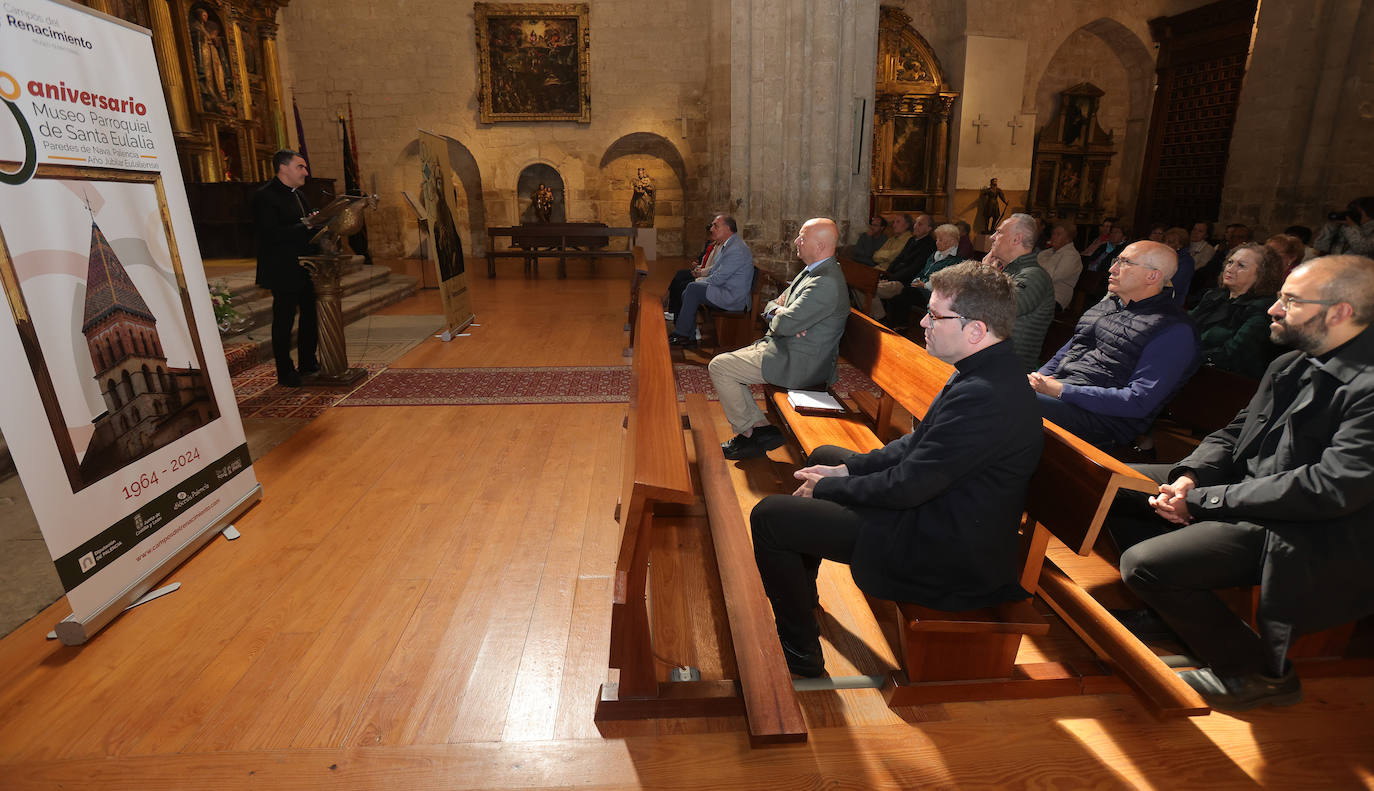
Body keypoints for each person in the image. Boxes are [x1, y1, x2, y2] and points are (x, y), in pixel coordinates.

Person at [749, 261, 1042, 677]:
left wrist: (829, 490)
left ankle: (799, 649)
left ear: (975, 330)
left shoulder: (986, 396)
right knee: (826, 457)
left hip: (943, 548)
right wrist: (845, 473)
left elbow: (909, 486)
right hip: (938, 510)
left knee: (770, 518)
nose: (923, 321)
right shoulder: (984, 373)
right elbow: (915, 445)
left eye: (935, 315)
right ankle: (802, 593)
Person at [1108, 255, 1374, 711]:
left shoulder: (1365, 386)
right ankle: (1170, 613)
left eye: (1289, 301)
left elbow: (1328, 488)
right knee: (1113, 485)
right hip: (1246, 492)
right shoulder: (1291, 363)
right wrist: (1190, 476)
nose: (1272, 309)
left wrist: (1207, 500)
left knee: (1144, 563)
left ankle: (1260, 674)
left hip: (1308, 526)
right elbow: (1233, 432)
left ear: (1339, 312)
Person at [1029, 240, 1200, 449]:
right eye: (1115, 260)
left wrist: (1062, 390)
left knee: (1009, 401)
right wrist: (1037, 380)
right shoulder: (1106, 307)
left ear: (1152, 276)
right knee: (998, 386)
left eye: (1125, 262)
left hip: (1104, 420)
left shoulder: (1173, 329)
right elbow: (1064, 354)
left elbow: (1138, 401)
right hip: (1064, 396)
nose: (1112, 269)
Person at [707, 218, 849, 460]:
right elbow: (773, 305)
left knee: (720, 367)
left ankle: (752, 432)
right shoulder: (813, 271)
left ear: (820, 245)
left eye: (803, 237)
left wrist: (783, 317)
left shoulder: (825, 282)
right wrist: (780, 312)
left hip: (800, 363)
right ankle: (757, 431)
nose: (796, 241)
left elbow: (784, 323)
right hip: (786, 347)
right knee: (725, 363)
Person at [253, 149, 320, 387]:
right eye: (300, 167)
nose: (306, 172)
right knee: (284, 320)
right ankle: (285, 371)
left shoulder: (300, 195)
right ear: (283, 168)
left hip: (305, 267)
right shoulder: (265, 196)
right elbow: (271, 235)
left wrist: (317, 224)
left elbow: (305, 228)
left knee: (311, 316)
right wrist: (307, 225)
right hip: (281, 269)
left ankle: (308, 362)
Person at [1188, 243, 1284, 378]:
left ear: (1262, 274)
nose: (1230, 269)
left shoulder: (1264, 309)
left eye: (1241, 266)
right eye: (1230, 262)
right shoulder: (1214, 296)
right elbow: (1185, 325)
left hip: (1227, 381)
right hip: (1193, 367)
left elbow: (1233, 353)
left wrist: (1183, 355)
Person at [669, 215, 754, 347]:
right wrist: (700, 279)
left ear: (727, 228)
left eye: (716, 226)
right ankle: (687, 336)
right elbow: (716, 269)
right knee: (690, 290)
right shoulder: (729, 244)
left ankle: (682, 334)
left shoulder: (736, 248)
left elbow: (719, 278)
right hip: (725, 289)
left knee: (692, 288)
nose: (712, 229)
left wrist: (700, 280)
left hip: (733, 297)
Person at [983, 213, 1055, 371]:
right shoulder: (1008, 272)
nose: (992, 237)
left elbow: (998, 309)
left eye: (999, 232)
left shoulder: (1034, 276)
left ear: (1016, 239)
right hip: (989, 361)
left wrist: (986, 275)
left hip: (1007, 370)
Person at [879, 223, 962, 327]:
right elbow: (923, 271)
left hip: (933, 294)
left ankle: (900, 325)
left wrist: (924, 284)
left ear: (951, 242)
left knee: (902, 295)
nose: (937, 242)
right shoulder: (935, 254)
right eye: (937, 239)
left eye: (940, 240)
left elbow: (943, 281)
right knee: (899, 292)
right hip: (920, 287)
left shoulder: (954, 261)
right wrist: (916, 280)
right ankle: (894, 324)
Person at [1037, 221, 1082, 311]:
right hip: (1037, 293)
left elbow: (1050, 276)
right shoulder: (1045, 253)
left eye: (1058, 234)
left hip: (1055, 297)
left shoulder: (1072, 256)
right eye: (1053, 233)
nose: (1053, 237)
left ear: (1068, 238)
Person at [1161, 226, 1195, 305]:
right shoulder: (1162, 256)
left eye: (1170, 242)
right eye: (1164, 241)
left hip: (1171, 302)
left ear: (1180, 245)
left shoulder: (1187, 262)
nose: (1165, 244)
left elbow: (1175, 285)